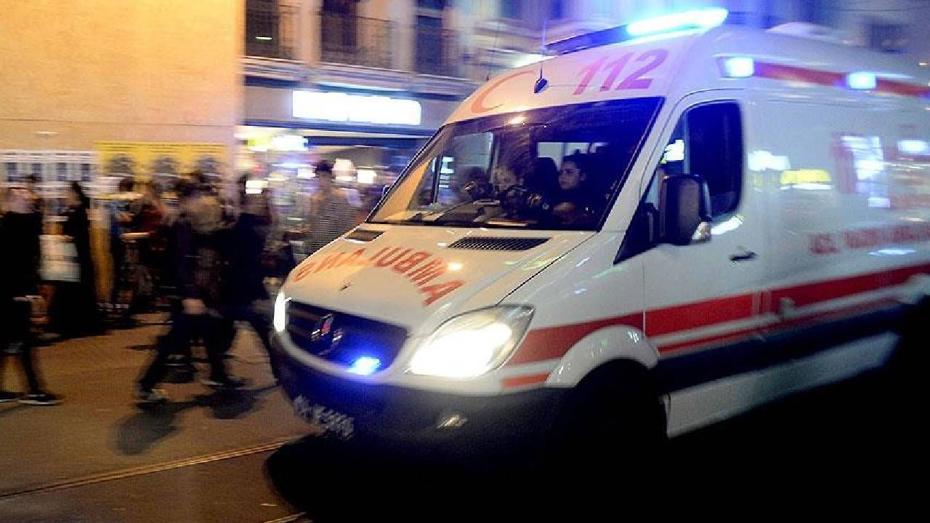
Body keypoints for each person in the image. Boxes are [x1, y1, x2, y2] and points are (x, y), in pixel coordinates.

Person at [136, 179, 244, 403]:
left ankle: (219, 375)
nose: (205, 200)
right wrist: (190, 294)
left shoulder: (195, 220)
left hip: (200, 291)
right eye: (199, 196)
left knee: (207, 333)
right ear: (189, 199)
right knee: (176, 337)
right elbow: (182, 261)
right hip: (191, 292)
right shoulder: (184, 223)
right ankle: (147, 384)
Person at [0, 186, 61, 405]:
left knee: (12, 341)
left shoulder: (19, 225)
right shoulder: (11, 227)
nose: (26, 197)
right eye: (20, 196)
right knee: (23, 340)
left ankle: (32, 389)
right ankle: (34, 390)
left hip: (14, 292)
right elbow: (15, 264)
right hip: (13, 293)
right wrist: (25, 292)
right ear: (9, 202)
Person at [52, 182, 101, 337]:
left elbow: (77, 235)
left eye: (67, 193)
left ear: (75, 194)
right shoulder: (76, 211)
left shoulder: (78, 213)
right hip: (77, 257)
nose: (65, 196)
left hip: (77, 258)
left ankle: (73, 325)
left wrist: (65, 238)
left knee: (74, 291)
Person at [303, 160, 361, 257]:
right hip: (314, 249)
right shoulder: (314, 198)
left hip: (332, 250)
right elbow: (312, 225)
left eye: (324, 176)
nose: (321, 180)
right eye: (318, 176)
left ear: (331, 177)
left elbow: (347, 226)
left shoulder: (340, 198)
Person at [551, 153, 595, 226]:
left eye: (569, 172)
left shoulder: (589, 200)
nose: (562, 176)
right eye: (560, 172)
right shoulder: (554, 195)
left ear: (582, 176)